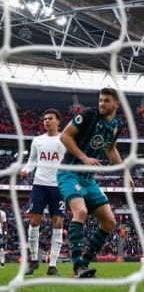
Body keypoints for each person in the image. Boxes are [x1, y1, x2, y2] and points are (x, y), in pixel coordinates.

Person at [57, 87, 133, 278]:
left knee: (109, 222)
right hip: (70, 172)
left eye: (106, 100)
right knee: (80, 211)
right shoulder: (89, 115)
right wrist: (83, 157)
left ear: (117, 104)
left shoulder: (116, 125)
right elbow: (65, 136)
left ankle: (85, 263)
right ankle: (77, 266)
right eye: (100, 100)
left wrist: (125, 172)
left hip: (89, 179)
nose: (101, 103)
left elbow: (111, 149)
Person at [20, 108, 67, 276]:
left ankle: (52, 265)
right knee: (34, 222)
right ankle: (33, 261)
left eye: (50, 118)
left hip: (59, 186)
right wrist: (26, 170)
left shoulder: (64, 139)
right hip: (39, 184)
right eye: (45, 119)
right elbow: (32, 161)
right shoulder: (37, 140)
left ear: (58, 121)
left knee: (57, 223)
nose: (47, 121)